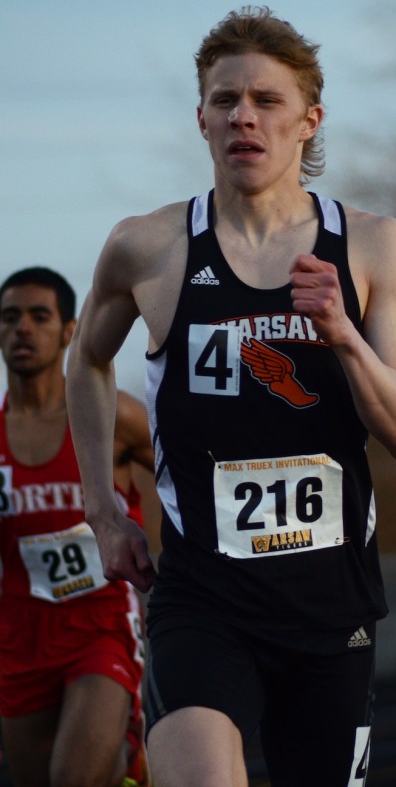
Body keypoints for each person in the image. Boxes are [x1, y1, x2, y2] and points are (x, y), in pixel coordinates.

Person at [65, 6, 396, 787]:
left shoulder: (370, 243)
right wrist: (102, 511)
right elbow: (85, 361)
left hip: (331, 606)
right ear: (200, 117)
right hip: (203, 599)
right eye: (225, 99)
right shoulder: (149, 246)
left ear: (309, 120)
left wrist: (343, 334)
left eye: (266, 100)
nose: (244, 116)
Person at [0, 266, 155, 787]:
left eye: (39, 316)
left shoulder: (115, 417)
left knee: (73, 779)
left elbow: (195, 477)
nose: (23, 328)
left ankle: (125, 756)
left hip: (101, 622)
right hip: (19, 633)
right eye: (9, 317)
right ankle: (124, 771)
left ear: (69, 331)